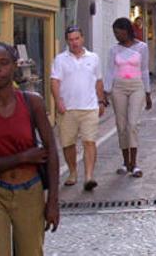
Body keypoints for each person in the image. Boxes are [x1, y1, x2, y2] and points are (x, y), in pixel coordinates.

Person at [0, 43, 59, 256]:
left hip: (30, 192)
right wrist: (22, 157)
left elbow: (51, 151)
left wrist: (52, 201)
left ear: (14, 67)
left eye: (3, 63)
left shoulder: (31, 102)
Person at [50, 26, 106, 191]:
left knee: (89, 141)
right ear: (67, 41)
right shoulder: (60, 59)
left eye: (77, 39)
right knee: (68, 144)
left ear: (82, 39)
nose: (74, 42)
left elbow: (98, 81)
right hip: (67, 109)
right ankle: (73, 172)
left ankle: (89, 176)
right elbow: (54, 81)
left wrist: (101, 101)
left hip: (89, 108)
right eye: (71, 40)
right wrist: (58, 100)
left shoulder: (93, 58)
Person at [106, 18, 152, 178]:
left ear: (127, 31)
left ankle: (135, 163)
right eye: (114, 33)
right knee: (121, 125)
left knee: (132, 123)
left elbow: (145, 70)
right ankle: (125, 162)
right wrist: (106, 92)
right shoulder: (113, 50)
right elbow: (110, 71)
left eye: (119, 32)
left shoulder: (142, 47)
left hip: (136, 86)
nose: (117, 36)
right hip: (118, 87)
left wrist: (148, 93)